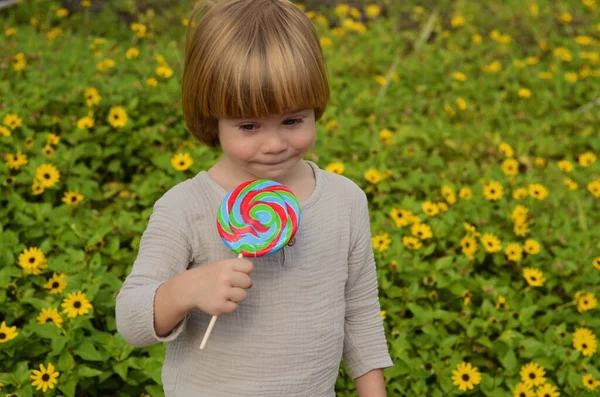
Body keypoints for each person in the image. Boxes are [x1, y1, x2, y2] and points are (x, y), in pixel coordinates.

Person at [115, 0, 393, 395]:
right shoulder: (185, 207)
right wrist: (188, 289)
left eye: (293, 120)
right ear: (212, 118)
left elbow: (361, 314)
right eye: (248, 125)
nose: (275, 143)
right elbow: (130, 321)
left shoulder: (344, 201)